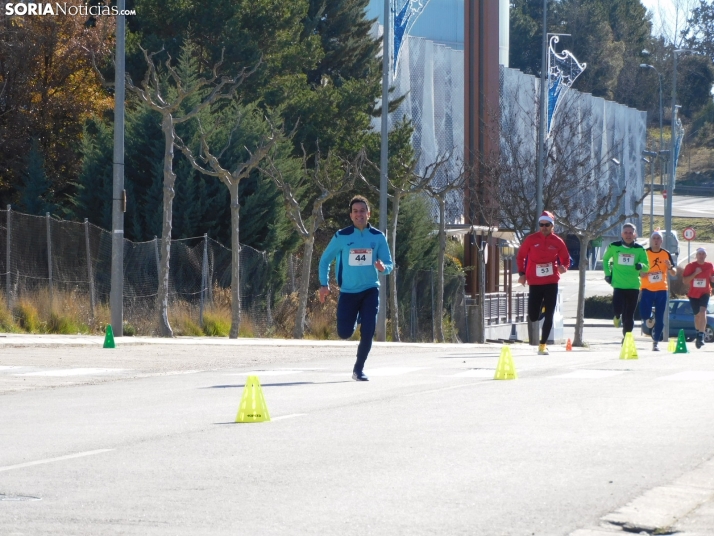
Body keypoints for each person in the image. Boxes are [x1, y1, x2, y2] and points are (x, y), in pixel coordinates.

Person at [318, 195, 393, 381]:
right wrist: (323, 284)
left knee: (368, 331)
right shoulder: (341, 236)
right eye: (355, 211)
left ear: (369, 214)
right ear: (351, 215)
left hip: (370, 290)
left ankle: (358, 369)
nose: (359, 214)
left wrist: (383, 268)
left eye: (362, 211)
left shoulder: (378, 237)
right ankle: (358, 316)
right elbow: (325, 259)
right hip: (348, 292)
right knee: (344, 333)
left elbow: (389, 264)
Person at [516, 210, 570, 355]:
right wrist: (521, 273)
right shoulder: (531, 239)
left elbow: (566, 259)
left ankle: (542, 345)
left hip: (551, 280)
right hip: (534, 281)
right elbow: (520, 256)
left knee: (550, 314)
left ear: (552, 226)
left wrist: (564, 267)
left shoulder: (558, 241)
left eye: (547, 224)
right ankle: (543, 306)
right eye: (541, 224)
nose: (544, 227)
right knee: (533, 316)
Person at [603, 223, 649, 340]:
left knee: (629, 314)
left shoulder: (639, 249)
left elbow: (647, 266)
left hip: (633, 286)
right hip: (618, 285)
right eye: (626, 232)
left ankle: (627, 336)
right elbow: (606, 259)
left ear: (635, 235)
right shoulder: (614, 246)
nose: (628, 235)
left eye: (630, 233)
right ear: (621, 234)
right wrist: (608, 274)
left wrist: (641, 265)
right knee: (618, 309)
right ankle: (617, 316)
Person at [639, 231, 677, 351]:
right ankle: (650, 316)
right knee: (644, 314)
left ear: (661, 241)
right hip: (646, 288)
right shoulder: (645, 253)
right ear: (651, 240)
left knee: (660, 318)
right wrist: (641, 273)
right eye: (654, 238)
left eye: (658, 238)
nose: (656, 240)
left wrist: (670, 267)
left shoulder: (666, 254)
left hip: (662, 289)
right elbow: (637, 269)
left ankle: (656, 341)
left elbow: (674, 272)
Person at [681, 247, 714, 349]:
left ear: (705, 255)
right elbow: (685, 281)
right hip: (693, 294)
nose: (701, 256)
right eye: (699, 254)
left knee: (703, 311)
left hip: (705, 292)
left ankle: (701, 335)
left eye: (703, 254)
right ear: (696, 255)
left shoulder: (710, 265)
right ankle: (697, 333)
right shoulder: (690, 266)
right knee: (697, 316)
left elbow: (712, 278)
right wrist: (695, 273)